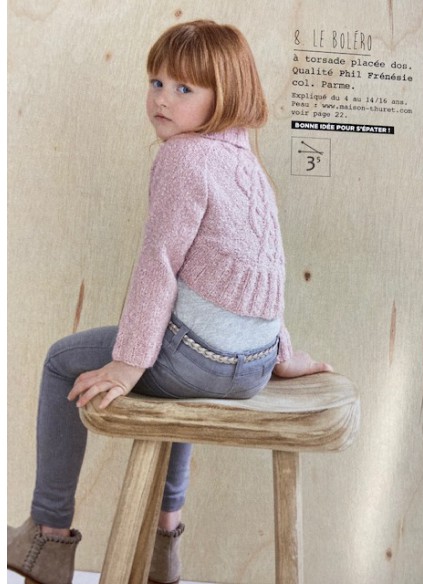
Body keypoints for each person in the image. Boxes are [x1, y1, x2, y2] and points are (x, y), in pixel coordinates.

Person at [7, 19, 331, 584]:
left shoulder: (183, 158)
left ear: (225, 94)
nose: (161, 98)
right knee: (177, 381)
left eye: (184, 88)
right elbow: (268, 265)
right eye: (156, 82)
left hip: (199, 360)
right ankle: (165, 542)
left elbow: (159, 266)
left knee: (62, 361)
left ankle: (47, 539)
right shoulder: (247, 164)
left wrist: (129, 360)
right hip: (252, 367)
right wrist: (279, 352)